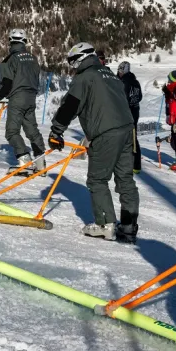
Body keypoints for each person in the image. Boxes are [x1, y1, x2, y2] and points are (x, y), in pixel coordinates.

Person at [49, 42, 141, 243]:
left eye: (73, 63)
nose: (73, 68)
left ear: (80, 58)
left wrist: (56, 132)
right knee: (125, 179)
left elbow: (70, 106)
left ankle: (105, 225)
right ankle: (128, 226)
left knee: (97, 179)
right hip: (127, 130)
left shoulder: (85, 77)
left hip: (106, 133)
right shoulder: (110, 76)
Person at [0, 29, 46, 173]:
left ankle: (24, 161)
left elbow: (6, 86)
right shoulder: (33, 58)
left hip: (17, 98)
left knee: (12, 132)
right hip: (31, 97)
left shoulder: (9, 60)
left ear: (10, 41)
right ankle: (40, 163)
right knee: (32, 130)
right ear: (25, 42)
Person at [116, 62, 142, 173]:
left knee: (130, 138)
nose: (119, 72)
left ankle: (135, 165)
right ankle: (134, 164)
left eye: (121, 71)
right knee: (132, 137)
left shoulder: (124, 82)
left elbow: (121, 99)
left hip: (127, 113)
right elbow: (139, 96)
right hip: (134, 111)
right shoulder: (135, 82)